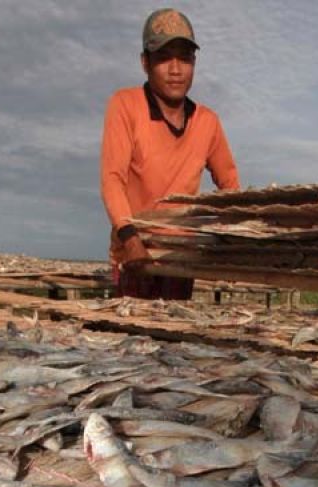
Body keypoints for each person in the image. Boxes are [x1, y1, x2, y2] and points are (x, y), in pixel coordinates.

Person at [100, 8, 240, 300]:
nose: (175, 69)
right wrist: (129, 237)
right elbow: (112, 178)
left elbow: (230, 185)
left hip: (180, 259)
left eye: (185, 59)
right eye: (164, 58)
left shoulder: (208, 122)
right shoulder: (126, 105)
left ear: (194, 63)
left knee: (173, 342)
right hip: (135, 257)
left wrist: (230, 238)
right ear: (145, 63)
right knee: (130, 340)